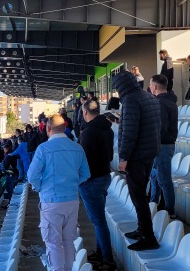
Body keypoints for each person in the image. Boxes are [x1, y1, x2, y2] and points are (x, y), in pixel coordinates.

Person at [27, 114, 91, 271]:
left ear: (48, 129)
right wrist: (72, 183)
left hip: (51, 201)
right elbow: (85, 174)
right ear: (65, 128)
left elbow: (31, 176)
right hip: (72, 200)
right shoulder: (77, 148)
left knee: (53, 242)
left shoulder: (43, 149)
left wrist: (39, 187)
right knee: (68, 240)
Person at [112, 70, 161, 251]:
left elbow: (129, 133)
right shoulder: (148, 97)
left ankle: (149, 237)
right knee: (140, 193)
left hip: (137, 156)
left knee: (138, 196)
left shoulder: (131, 101)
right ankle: (142, 229)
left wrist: (124, 157)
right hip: (149, 153)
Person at [77, 99, 115, 270]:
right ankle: (101, 254)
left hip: (91, 180)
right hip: (104, 176)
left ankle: (108, 260)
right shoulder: (108, 129)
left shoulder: (88, 132)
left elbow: (82, 159)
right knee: (99, 219)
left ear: (85, 113)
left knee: (99, 221)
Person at [149, 74, 178, 219]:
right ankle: (154, 203)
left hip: (162, 145)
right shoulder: (170, 101)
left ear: (154, 87)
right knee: (155, 176)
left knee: (163, 179)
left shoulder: (160, 103)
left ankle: (169, 209)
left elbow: (161, 127)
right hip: (165, 144)